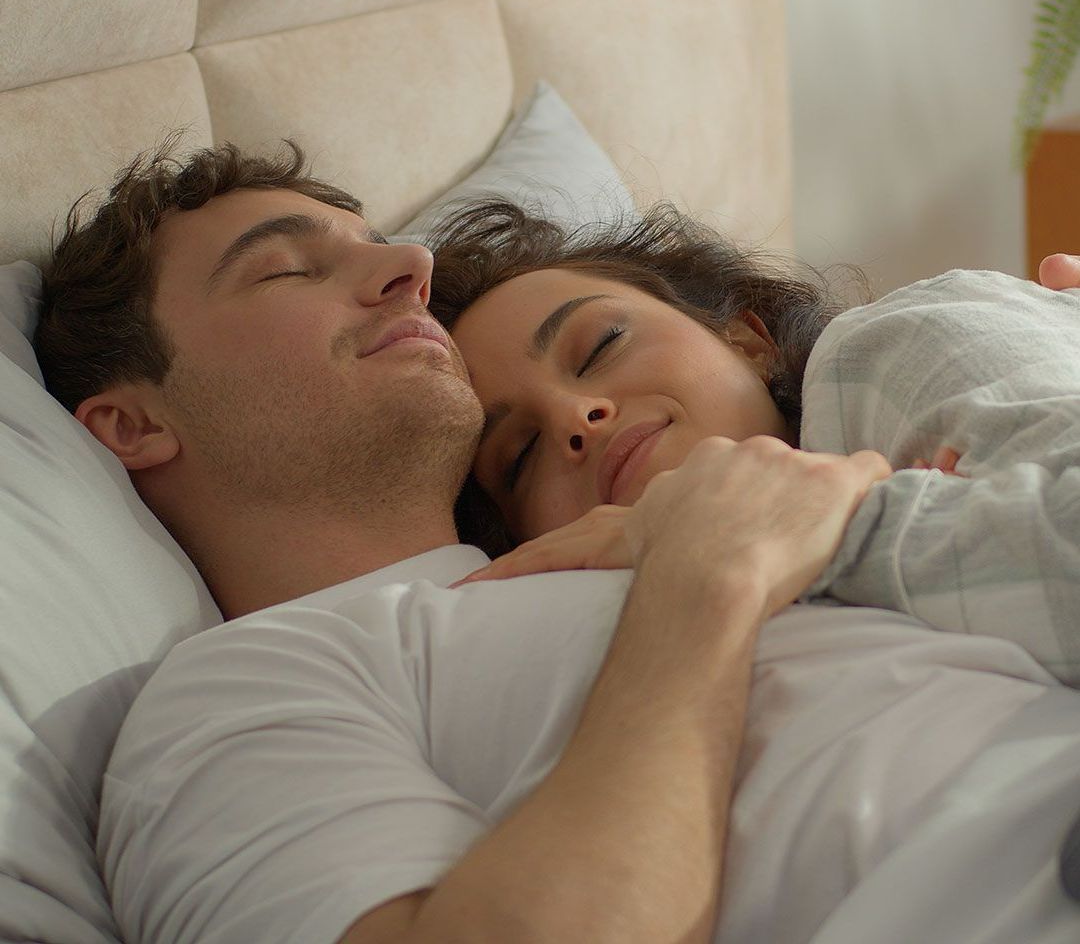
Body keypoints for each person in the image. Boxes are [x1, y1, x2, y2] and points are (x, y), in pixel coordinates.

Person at [32, 139, 1080, 942]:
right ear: (135, 423)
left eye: (384, 245)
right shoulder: (240, 693)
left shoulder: (742, 478)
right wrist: (708, 582)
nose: (411, 262)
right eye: (286, 271)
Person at [429, 201, 1080, 690]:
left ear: (746, 341)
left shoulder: (893, 344)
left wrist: (808, 531)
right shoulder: (629, 629)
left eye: (601, 346)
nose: (577, 416)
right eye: (520, 456)